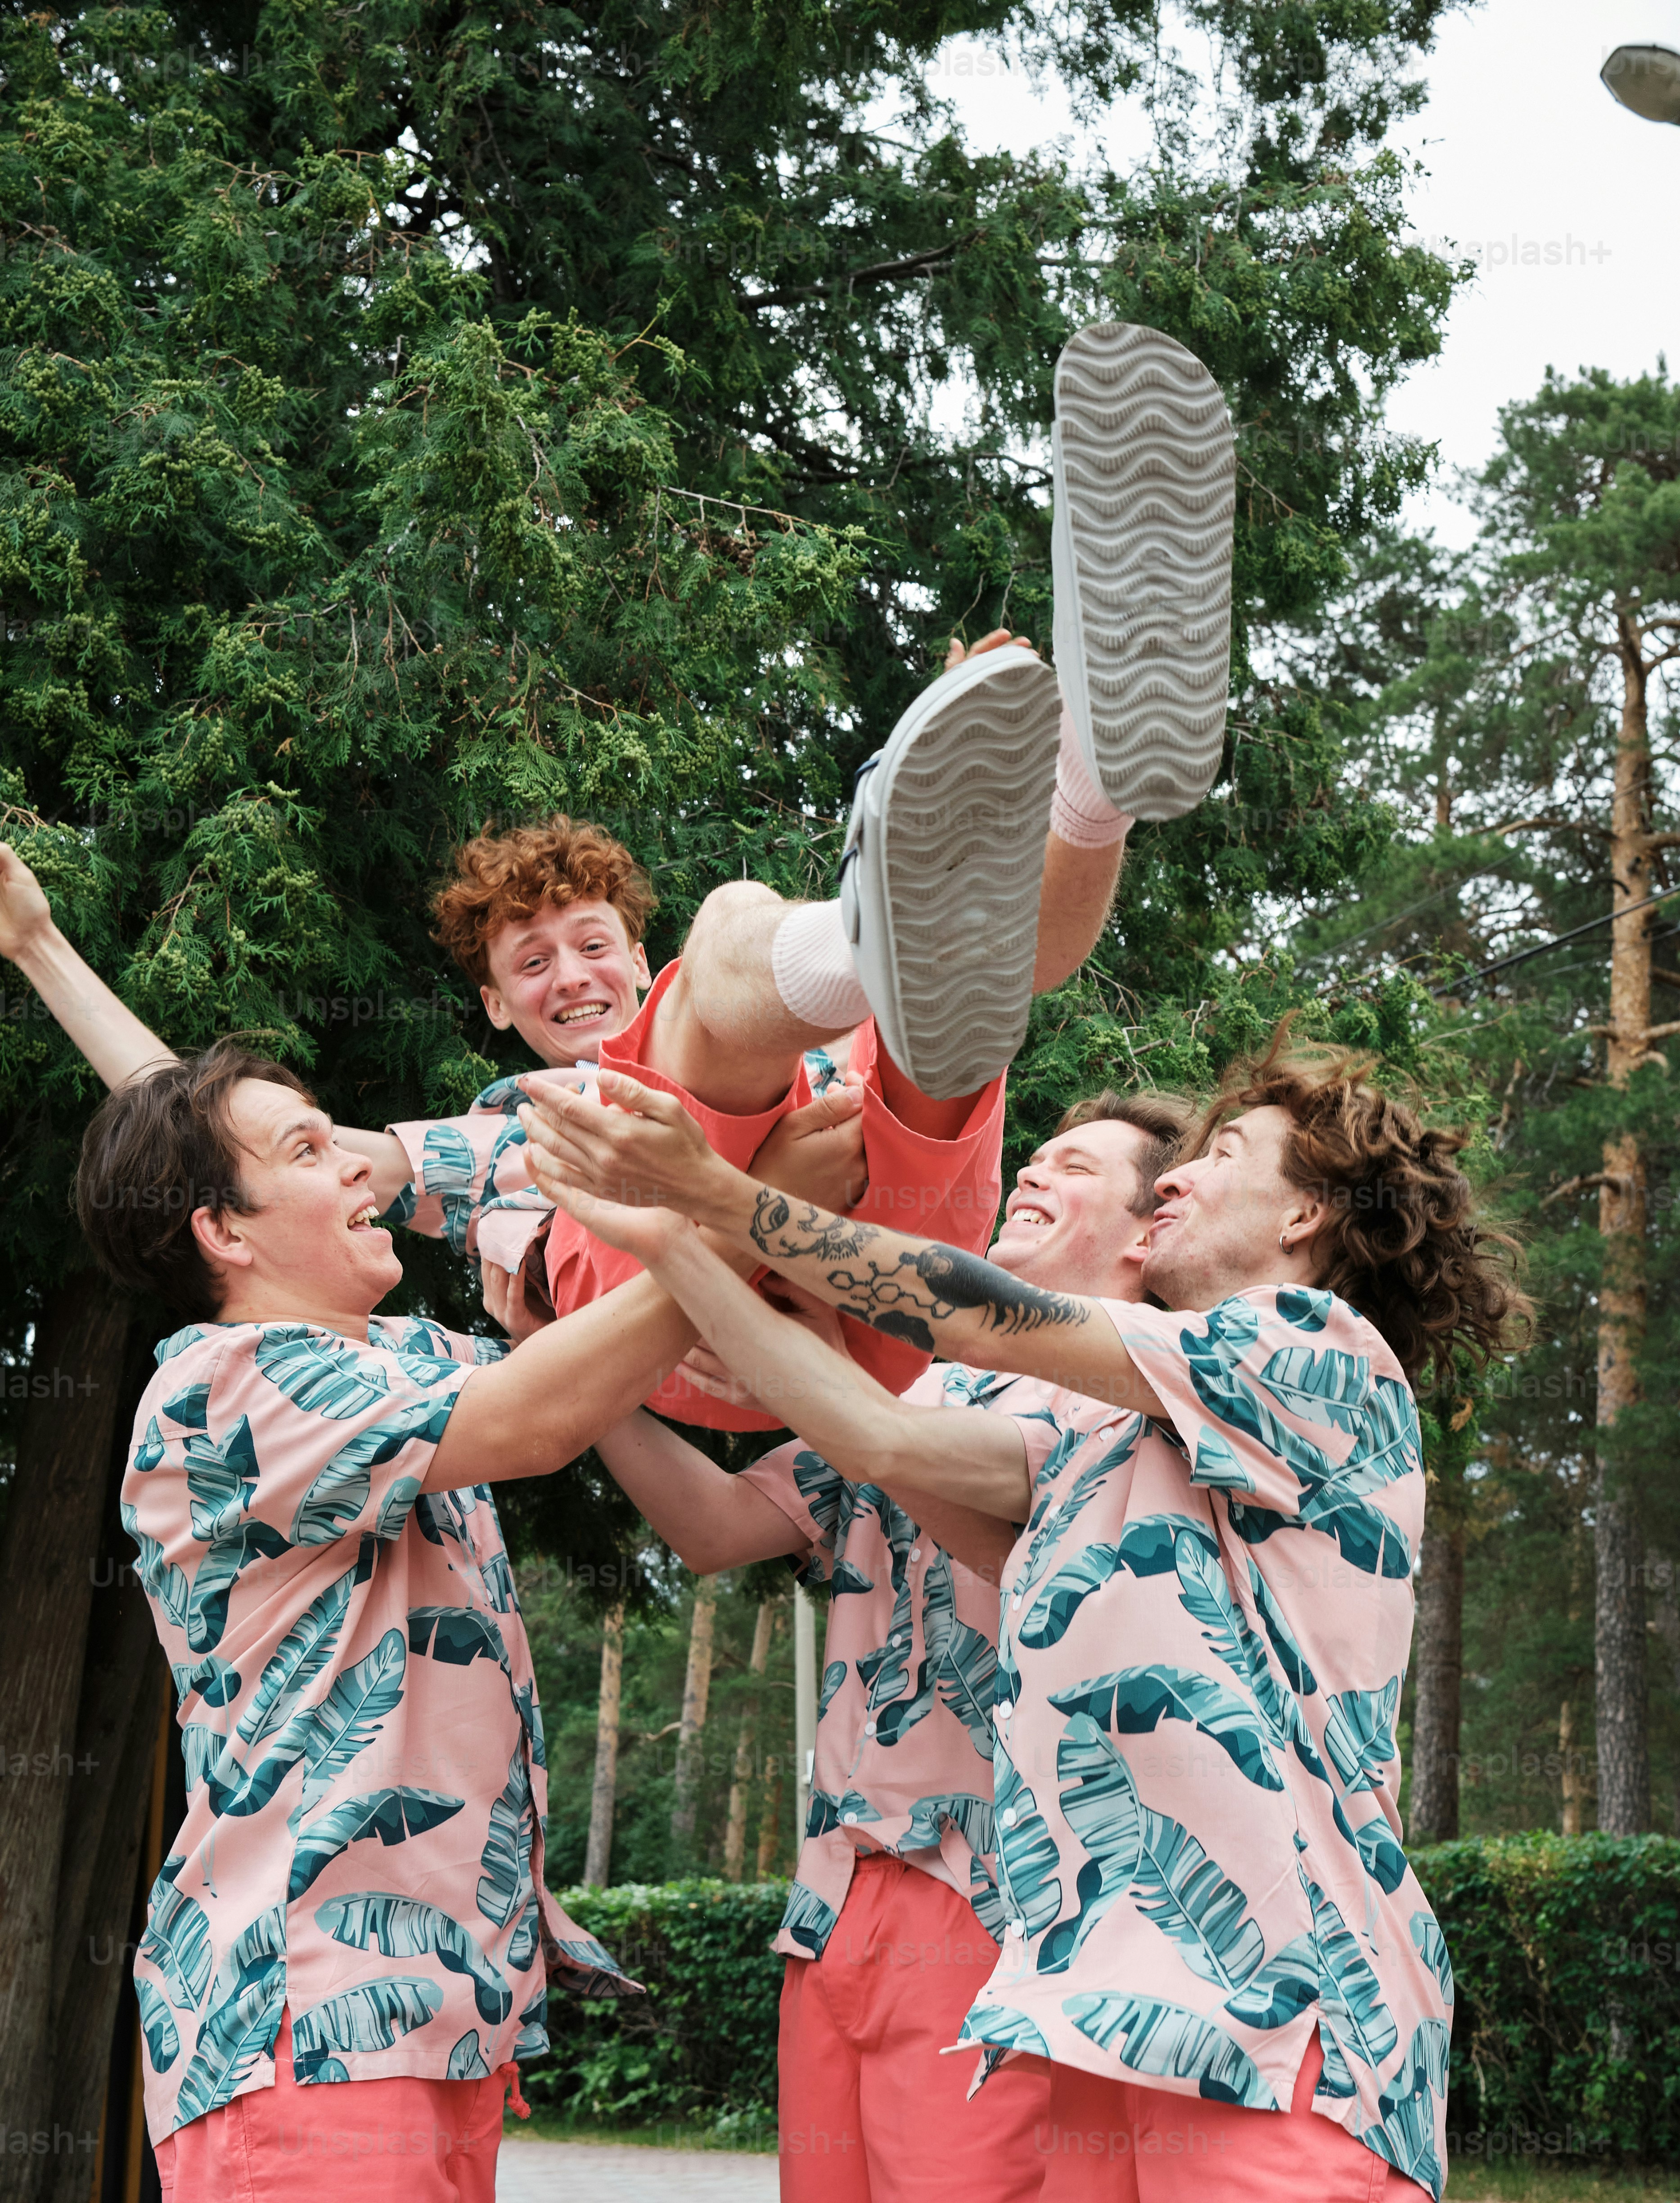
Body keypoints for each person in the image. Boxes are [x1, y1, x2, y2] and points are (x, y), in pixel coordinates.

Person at [510, 1026, 1528, 2203]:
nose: (1177, 1176)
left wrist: (729, 1206)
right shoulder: (1106, 1450)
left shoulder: (1310, 1352)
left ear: (1309, 1219)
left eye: (1220, 1158)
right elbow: (865, 1427)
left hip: (1287, 2045)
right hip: (1107, 2040)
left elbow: (973, 1321)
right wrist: (663, 1237)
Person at [0, 316, 1236, 1433]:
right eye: (528, 963)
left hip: (892, 1296)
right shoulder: (502, 1133)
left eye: (593, 944)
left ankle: (1094, 784)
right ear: (493, 1007)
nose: (572, 975)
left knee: (953, 1011)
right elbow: (201, 1139)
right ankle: (894, 907)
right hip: (674, 1320)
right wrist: (38, 946)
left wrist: (1006, 816)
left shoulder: (804, 1052)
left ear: (634, 961)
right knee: (743, 921)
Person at [72, 1039, 725, 2203]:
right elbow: (549, 1412)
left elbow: (549, 1223)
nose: (352, 1162)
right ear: (222, 1237)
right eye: (305, 1152)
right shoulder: (225, 1382)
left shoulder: (404, 1363)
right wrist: (724, 1225)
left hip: (437, 2016)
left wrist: (720, 1163)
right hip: (311, 2018)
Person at [552, 1090, 1189, 2203]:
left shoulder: (1128, 1405)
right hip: (836, 1918)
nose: (1028, 1179)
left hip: (988, 1920)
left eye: (1072, 1168)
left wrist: (685, 1233)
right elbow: (717, 1525)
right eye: (1027, 1159)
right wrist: (562, 1368)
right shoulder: (910, 1400)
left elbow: (907, 1467)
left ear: (1153, 1232)